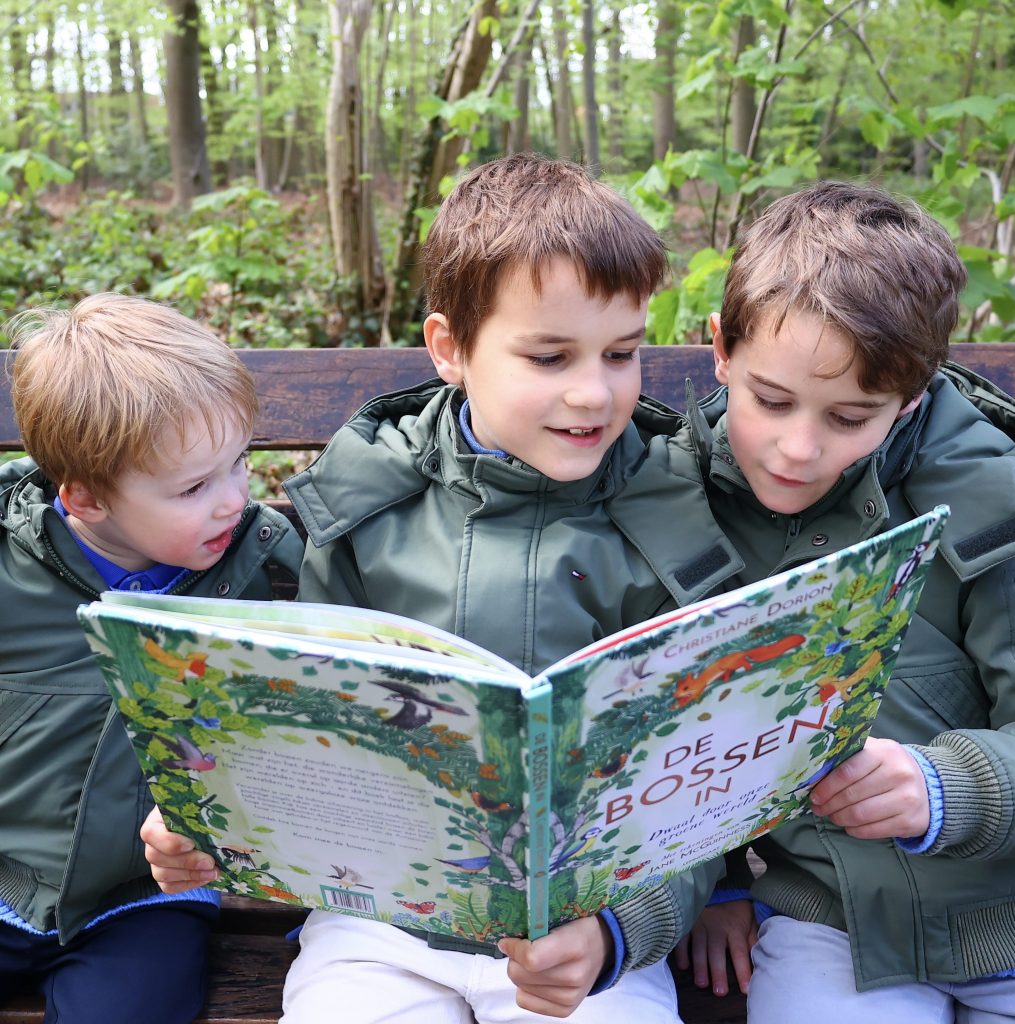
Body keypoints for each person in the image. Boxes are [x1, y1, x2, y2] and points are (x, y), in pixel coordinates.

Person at [142, 153, 747, 1022]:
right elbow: (288, 716)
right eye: (549, 356)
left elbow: (705, 774)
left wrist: (620, 932)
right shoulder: (369, 502)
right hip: (378, 920)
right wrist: (208, 817)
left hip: (579, 929)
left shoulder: (666, 517)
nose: (593, 390)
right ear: (450, 349)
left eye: (622, 352)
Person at [676, 180, 1015, 1022]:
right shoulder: (679, 502)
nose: (799, 448)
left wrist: (949, 787)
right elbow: (667, 731)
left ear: (910, 397)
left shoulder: (995, 507)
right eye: (771, 400)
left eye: (851, 416)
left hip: (1007, 916)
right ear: (720, 350)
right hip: (829, 920)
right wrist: (716, 885)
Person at [0, 293, 303, 1024]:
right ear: (85, 498)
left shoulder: (265, 567)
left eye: (238, 466)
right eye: (195, 487)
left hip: (148, 896)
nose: (234, 500)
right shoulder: (11, 574)